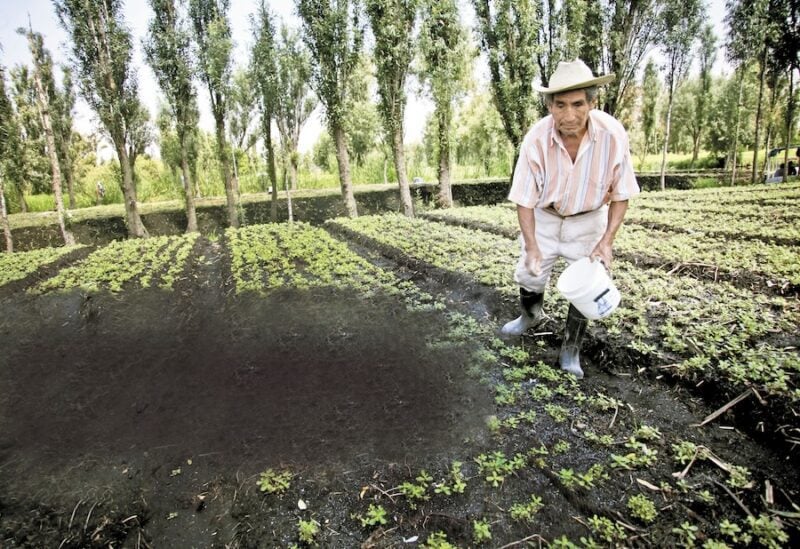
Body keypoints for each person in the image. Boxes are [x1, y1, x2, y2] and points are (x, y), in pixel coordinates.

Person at [500, 59, 640, 379]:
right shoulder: (536, 139)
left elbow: (621, 194)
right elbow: (523, 199)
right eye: (560, 105)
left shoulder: (612, 136)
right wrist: (533, 246)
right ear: (550, 106)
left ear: (592, 103)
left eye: (578, 104)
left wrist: (606, 242)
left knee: (585, 285)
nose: (569, 114)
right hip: (545, 217)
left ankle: (570, 348)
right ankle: (529, 316)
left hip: (588, 219)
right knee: (529, 273)